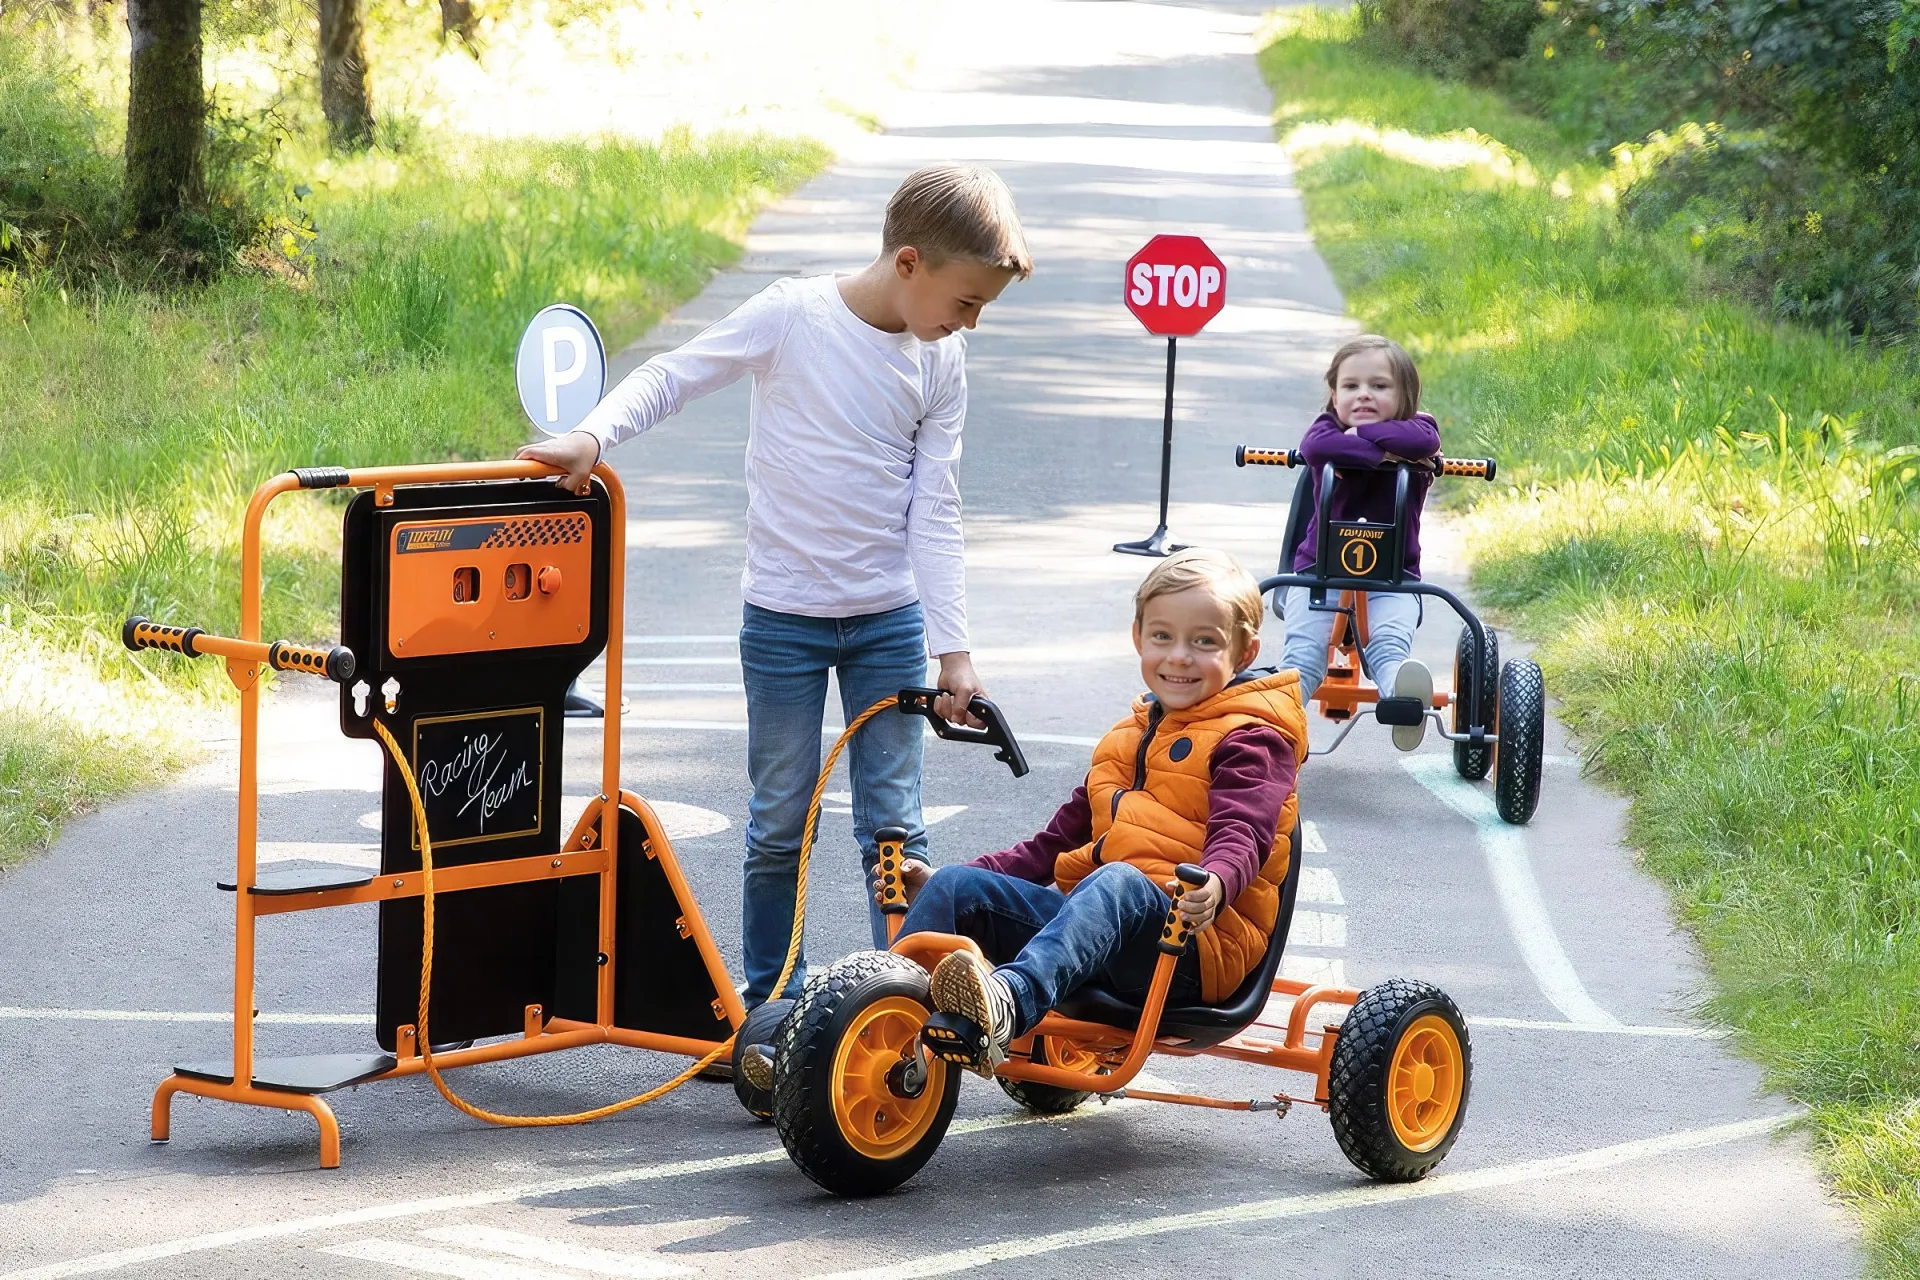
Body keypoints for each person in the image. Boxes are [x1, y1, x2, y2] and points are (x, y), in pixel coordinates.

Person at [517, 164, 1033, 1005]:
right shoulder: (795, 316)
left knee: (895, 829)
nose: (970, 321)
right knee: (780, 822)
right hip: (784, 622)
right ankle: (774, 1006)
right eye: (966, 301)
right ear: (910, 263)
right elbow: (674, 375)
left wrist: (955, 652)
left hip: (889, 621)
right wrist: (593, 436)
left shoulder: (941, 360)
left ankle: (904, 1007)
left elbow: (935, 508)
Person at [883, 550, 1305, 1076]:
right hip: (1101, 927)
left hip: (1194, 944)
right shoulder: (1126, 739)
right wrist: (945, 880)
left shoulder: (1253, 738)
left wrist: (1217, 882)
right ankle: (882, 1017)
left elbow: (1244, 831)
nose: (1179, 657)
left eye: (1204, 642)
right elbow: (1051, 845)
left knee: (1117, 881)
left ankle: (1008, 1002)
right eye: (1162, 636)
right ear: (1138, 637)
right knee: (954, 886)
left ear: (1244, 652)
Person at [1279, 333, 1441, 750]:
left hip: (1394, 577)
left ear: (1406, 396)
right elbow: (1315, 446)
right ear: (1334, 395)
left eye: (1379, 386)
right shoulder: (1326, 429)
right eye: (1351, 386)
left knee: (1389, 648)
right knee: (1303, 657)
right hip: (1318, 572)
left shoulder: (1420, 429)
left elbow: (1421, 443)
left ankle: (1404, 698)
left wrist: (1360, 440)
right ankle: (1275, 729)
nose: (1363, 395)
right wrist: (1382, 453)